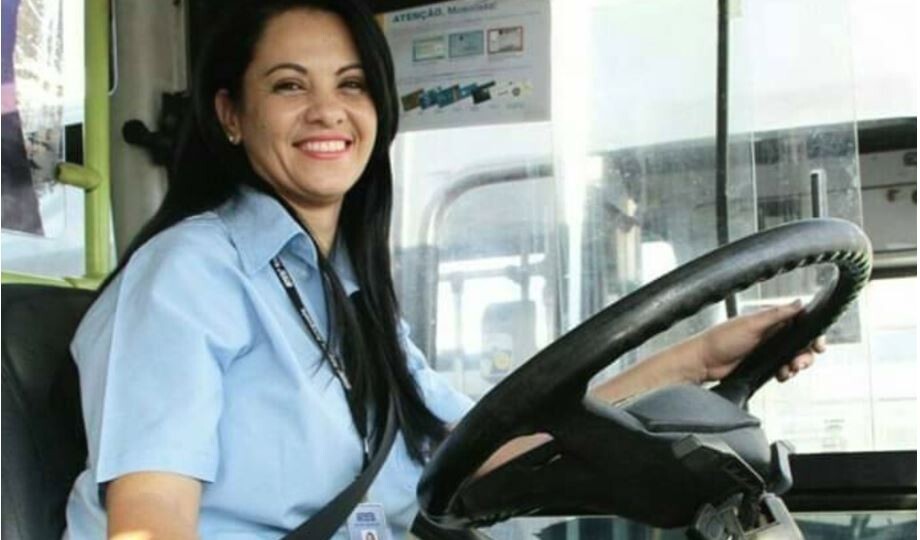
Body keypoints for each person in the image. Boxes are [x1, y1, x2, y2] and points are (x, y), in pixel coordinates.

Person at [62, 0, 824, 538]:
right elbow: (150, 522)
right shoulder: (186, 274)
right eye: (289, 85)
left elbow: (480, 449)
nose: (327, 110)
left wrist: (696, 359)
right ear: (231, 114)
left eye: (351, 84)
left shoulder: (347, 294)